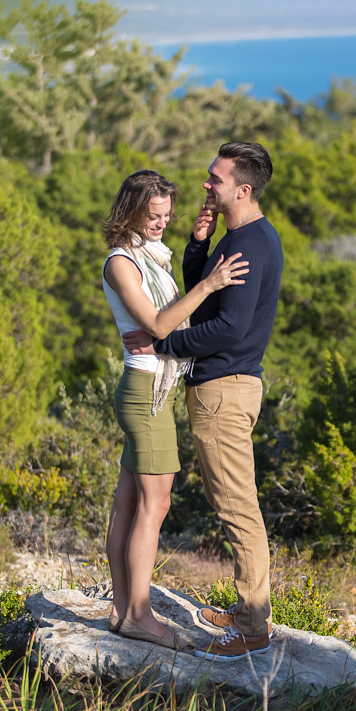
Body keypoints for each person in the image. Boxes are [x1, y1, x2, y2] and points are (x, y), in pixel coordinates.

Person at [124, 142, 284, 662]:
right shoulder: (237, 236)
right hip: (225, 386)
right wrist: (199, 246)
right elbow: (205, 293)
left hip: (224, 388)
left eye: (214, 179)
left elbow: (228, 327)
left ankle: (253, 628)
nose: (205, 185)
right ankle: (245, 614)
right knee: (233, 503)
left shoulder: (251, 245)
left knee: (238, 508)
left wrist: (165, 344)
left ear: (243, 188)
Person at [101, 170, 248, 650]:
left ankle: (125, 612)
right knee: (155, 504)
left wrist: (197, 245)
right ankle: (140, 615)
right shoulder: (121, 263)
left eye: (167, 215)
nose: (161, 222)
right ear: (131, 211)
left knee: (129, 502)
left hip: (152, 388)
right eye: (153, 215)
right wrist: (209, 283)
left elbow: (165, 323)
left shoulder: (151, 256)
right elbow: (161, 323)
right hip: (145, 392)